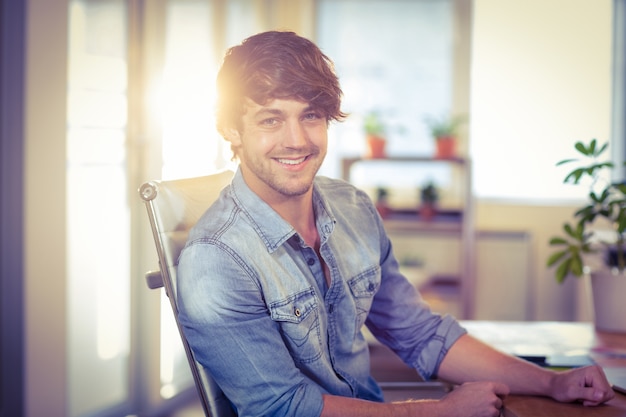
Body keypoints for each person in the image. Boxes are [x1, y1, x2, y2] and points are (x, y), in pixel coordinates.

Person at [176, 31, 615, 417]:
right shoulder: (215, 261)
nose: (297, 140)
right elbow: (282, 408)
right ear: (231, 129)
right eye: (270, 119)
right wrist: (436, 413)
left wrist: (551, 382)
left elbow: (421, 334)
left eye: (310, 115)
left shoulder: (351, 207)